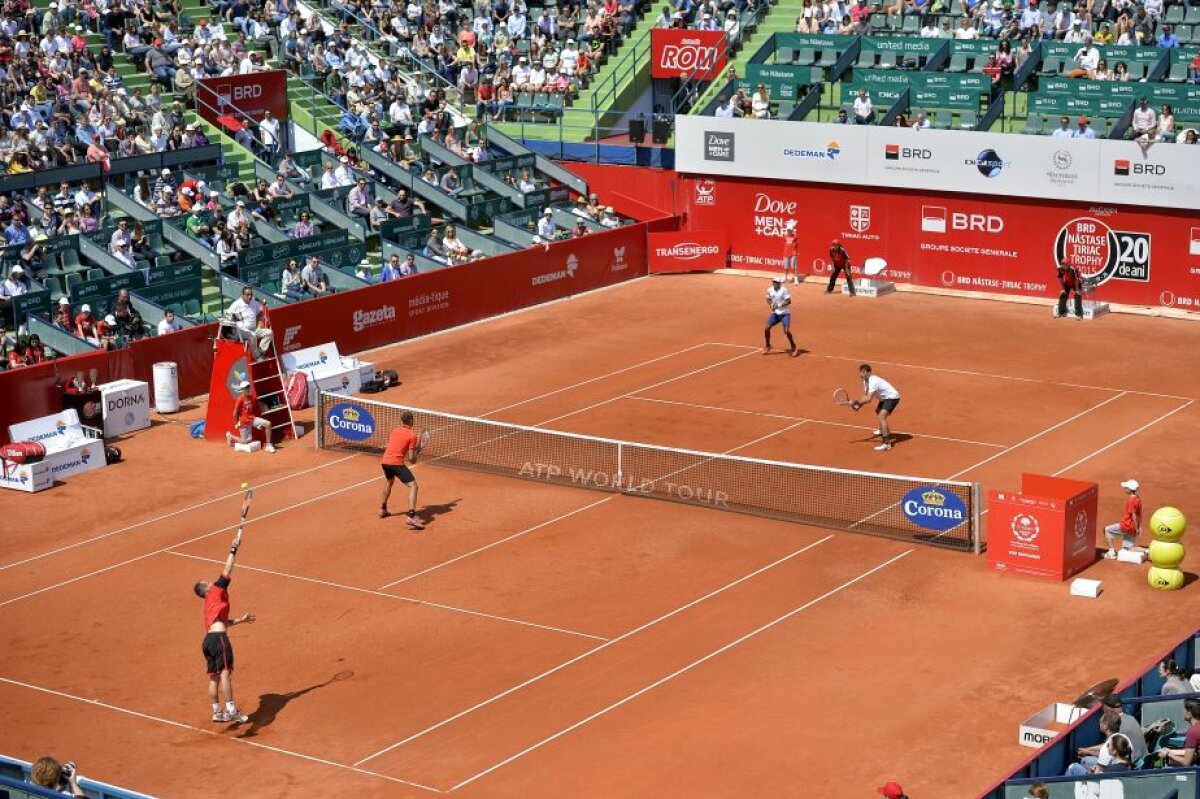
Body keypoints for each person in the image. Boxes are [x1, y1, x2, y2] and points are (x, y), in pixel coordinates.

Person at [193, 518, 256, 724]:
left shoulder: (209, 606)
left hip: (208, 641)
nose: (211, 582)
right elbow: (228, 569)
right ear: (206, 590)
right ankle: (231, 709)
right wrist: (234, 548)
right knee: (225, 674)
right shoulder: (216, 591)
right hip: (220, 640)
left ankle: (216, 712)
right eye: (207, 583)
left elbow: (224, 623)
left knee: (213, 677)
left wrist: (241, 620)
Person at [379, 409, 425, 528]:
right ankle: (411, 517)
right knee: (413, 486)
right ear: (411, 421)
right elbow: (411, 459)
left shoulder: (395, 430)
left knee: (389, 482)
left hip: (385, 461)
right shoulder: (412, 435)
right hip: (396, 463)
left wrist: (416, 446)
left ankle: (383, 509)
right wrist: (417, 452)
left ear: (402, 421)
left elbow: (400, 445)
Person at [850, 363, 901, 451]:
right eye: (860, 372)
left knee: (882, 416)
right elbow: (866, 396)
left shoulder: (873, 381)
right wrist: (858, 405)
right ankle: (883, 429)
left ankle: (886, 444)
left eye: (863, 372)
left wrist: (855, 402)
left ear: (869, 373)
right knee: (878, 411)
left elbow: (869, 399)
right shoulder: (865, 381)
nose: (861, 374)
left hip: (892, 397)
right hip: (884, 398)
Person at [227, 381, 276, 453]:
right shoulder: (240, 399)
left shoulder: (251, 397)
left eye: (248, 387)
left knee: (268, 424)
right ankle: (231, 437)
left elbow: (256, 406)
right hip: (244, 423)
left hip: (252, 419)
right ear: (242, 390)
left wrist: (265, 407)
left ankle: (268, 445)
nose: (247, 389)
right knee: (245, 442)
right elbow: (235, 414)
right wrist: (237, 423)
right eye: (245, 388)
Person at [226, 286, 274, 359]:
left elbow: (260, 312)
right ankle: (256, 357)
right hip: (241, 331)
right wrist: (234, 321)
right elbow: (227, 315)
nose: (250, 296)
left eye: (251, 294)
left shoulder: (254, 302)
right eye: (247, 295)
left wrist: (260, 320)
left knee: (269, 332)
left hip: (254, 329)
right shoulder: (236, 304)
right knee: (253, 336)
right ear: (242, 295)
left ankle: (260, 352)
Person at [1104, 478, 1141, 559]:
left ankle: (1111, 553)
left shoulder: (1131, 500)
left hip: (1126, 525)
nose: (1125, 488)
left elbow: (1134, 515)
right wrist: (1138, 527)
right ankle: (1147, 551)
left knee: (1107, 530)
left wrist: (1137, 529)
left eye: (1126, 487)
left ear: (1130, 489)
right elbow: (1139, 515)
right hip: (1133, 527)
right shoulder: (1137, 498)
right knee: (1128, 548)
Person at [1157, 697, 1200, 766]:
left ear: (1189, 714)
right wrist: (1170, 751)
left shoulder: (1192, 732)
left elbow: (1186, 763)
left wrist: (1168, 754)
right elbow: (1193, 752)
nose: (1182, 712)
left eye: (1184, 710)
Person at [763, 277, 799, 357]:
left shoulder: (784, 290)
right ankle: (768, 345)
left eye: (776, 282)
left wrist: (778, 305)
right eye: (773, 282)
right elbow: (768, 298)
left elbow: (789, 301)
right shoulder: (769, 290)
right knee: (766, 328)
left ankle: (794, 347)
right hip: (775, 314)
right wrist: (771, 305)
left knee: (786, 331)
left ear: (779, 283)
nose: (774, 283)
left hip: (785, 314)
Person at [781, 220, 799, 284]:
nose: (789, 231)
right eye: (788, 230)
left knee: (794, 267)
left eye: (790, 230)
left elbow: (797, 245)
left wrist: (795, 252)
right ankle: (785, 277)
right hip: (786, 253)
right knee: (785, 267)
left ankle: (796, 279)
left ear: (792, 230)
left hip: (793, 254)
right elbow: (785, 243)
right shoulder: (785, 236)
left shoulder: (795, 236)